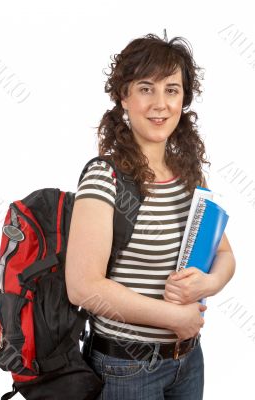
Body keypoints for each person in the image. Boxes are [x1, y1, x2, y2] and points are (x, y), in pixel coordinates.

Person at [65, 31, 236, 400]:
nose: (160, 103)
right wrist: (174, 318)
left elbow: (224, 255)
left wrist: (208, 285)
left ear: (183, 99)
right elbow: (82, 285)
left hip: (188, 362)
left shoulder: (188, 174)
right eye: (146, 88)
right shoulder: (104, 177)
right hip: (126, 369)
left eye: (171, 90)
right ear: (124, 96)